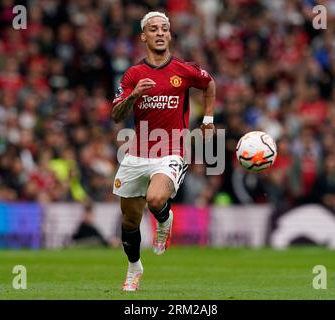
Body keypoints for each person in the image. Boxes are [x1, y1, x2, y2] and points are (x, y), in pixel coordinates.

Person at [111, 11, 216, 291]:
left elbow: (209, 84)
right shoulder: (134, 74)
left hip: (171, 150)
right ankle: (134, 268)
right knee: (130, 219)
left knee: (156, 199)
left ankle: (164, 219)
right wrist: (133, 95)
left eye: (164, 29)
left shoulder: (183, 69)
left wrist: (207, 120)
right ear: (144, 36)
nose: (160, 33)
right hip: (137, 153)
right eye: (154, 29)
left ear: (170, 35)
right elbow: (115, 114)